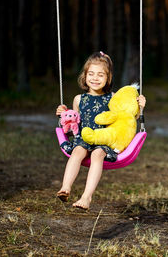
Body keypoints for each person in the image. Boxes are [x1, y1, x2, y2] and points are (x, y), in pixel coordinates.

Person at [55, 51, 146, 210]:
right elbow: (72, 127)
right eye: (91, 74)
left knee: (98, 154)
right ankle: (66, 187)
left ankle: (86, 197)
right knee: (77, 151)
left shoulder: (113, 97)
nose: (95, 78)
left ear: (108, 78)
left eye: (100, 75)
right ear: (84, 76)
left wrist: (140, 107)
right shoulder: (79, 99)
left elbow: (126, 117)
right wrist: (63, 116)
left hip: (104, 140)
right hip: (83, 138)